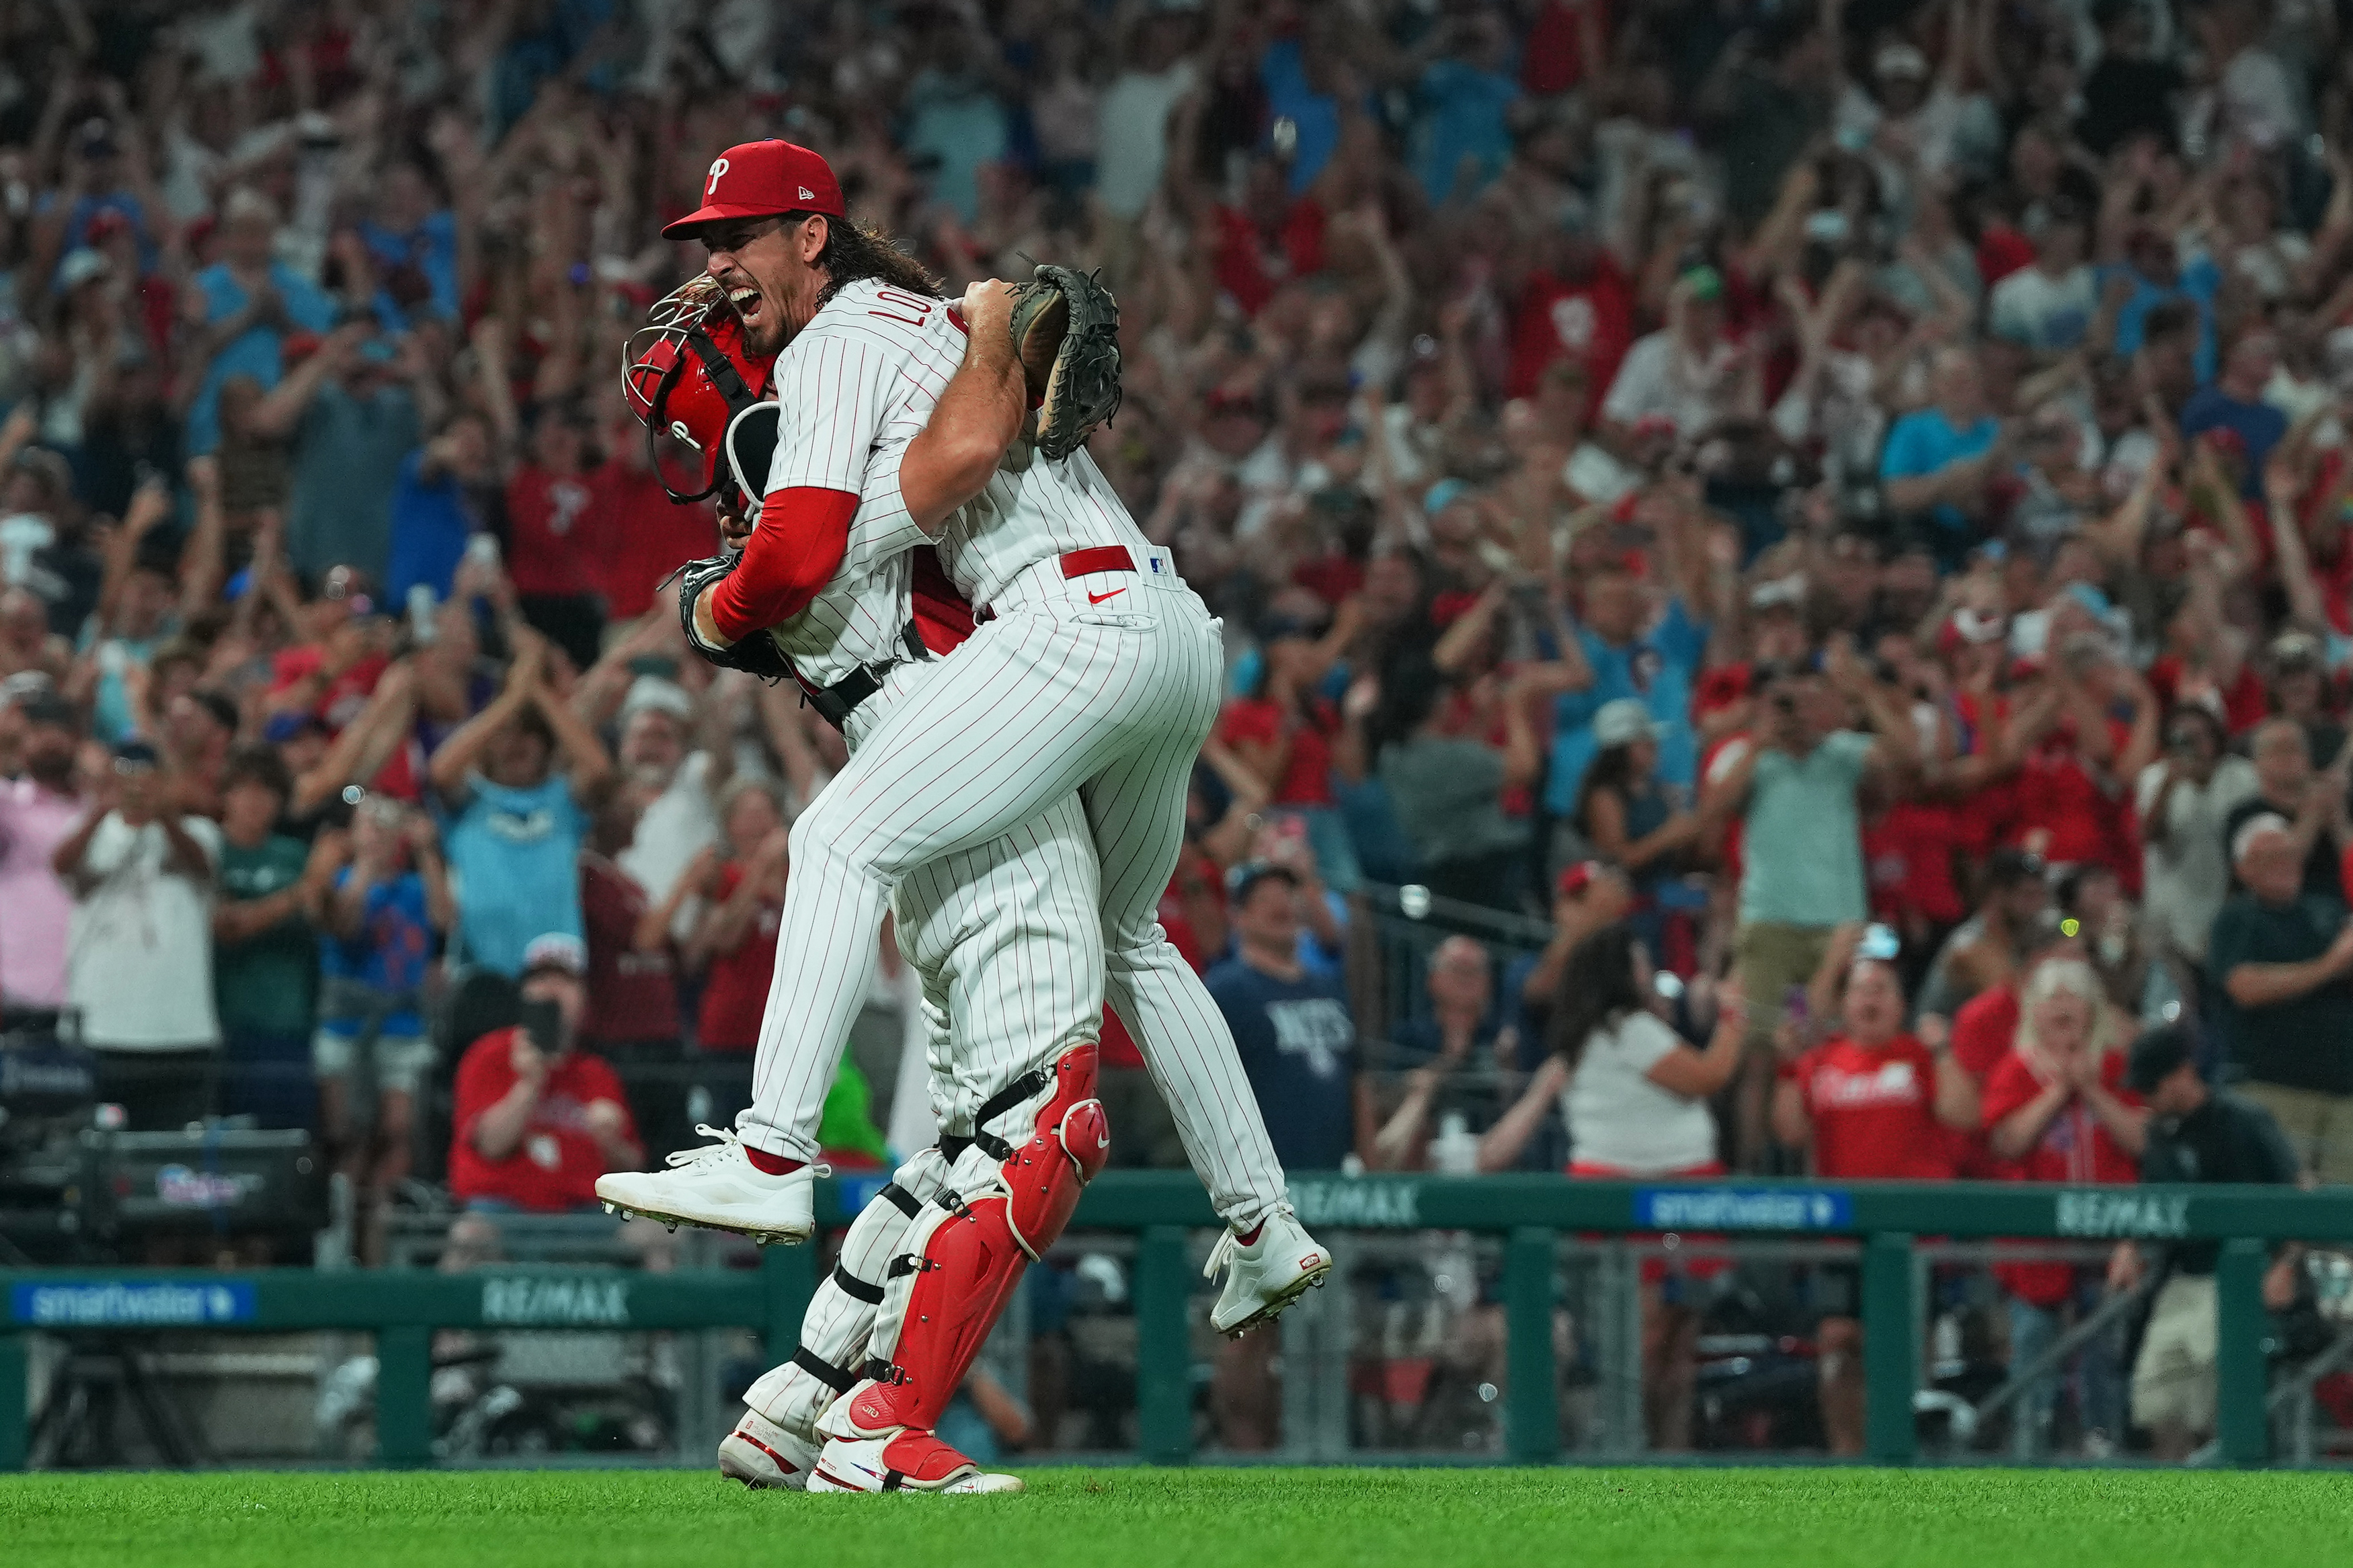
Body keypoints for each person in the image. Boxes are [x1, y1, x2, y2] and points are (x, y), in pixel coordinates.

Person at [590, 156, 1329, 1495]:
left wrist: (713, 607)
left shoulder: (826, 376)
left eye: (735, 241)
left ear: (810, 235)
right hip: (1091, 669)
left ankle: (802, 1328)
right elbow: (909, 486)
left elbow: (826, 542)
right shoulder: (902, 351)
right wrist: (990, 321)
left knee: (1003, 1105)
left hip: (994, 714)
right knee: (1040, 1101)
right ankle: (855, 1399)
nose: (712, 276)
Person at [1479, 925, 1745, 1449]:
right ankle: (1639, 1449)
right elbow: (1708, 1074)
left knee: (1668, 1341)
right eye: (1640, 961)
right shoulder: (1625, 1026)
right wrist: (1735, 1017)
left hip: (1671, 1193)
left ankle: (1662, 1451)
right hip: (1643, 1198)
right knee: (1650, 1342)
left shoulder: (1615, 1029)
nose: (1648, 970)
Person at [1706, 645, 1920, 1171]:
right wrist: (1761, 741)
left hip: (1836, 926)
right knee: (1758, 1054)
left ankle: (1828, 1172)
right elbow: (1711, 813)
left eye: (1807, 703)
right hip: (1770, 926)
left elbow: (1909, 757)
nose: (1798, 715)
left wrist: (1865, 694)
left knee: (1829, 1052)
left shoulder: (1841, 753)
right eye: (1787, 704)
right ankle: (1750, 1179)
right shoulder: (1745, 755)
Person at [1772, 950, 1978, 1454]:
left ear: (1901, 1004)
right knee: (1839, 1342)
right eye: (1862, 990)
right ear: (1843, 1004)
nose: (1872, 999)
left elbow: (1965, 1113)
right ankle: (1850, 1456)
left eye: (1883, 989)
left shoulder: (1918, 1056)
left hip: (1912, 1232)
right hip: (1843, 1234)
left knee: (1908, 1348)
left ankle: (1907, 1455)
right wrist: (1786, 1064)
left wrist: (1943, 1049)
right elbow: (1790, 1130)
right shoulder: (1821, 1062)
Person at [2111, 1024, 2303, 1462]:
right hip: (2183, 1279)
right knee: (2157, 1397)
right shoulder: (2161, 1132)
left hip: (2242, 1278)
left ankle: (2233, 1509)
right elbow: (2151, 1201)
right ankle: (2174, 1509)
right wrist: (2130, 1244)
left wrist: (2285, 1263)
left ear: (2181, 1073)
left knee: (2222, 1402)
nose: (2144, 1097)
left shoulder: (2245, 1119)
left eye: (2151, 1085)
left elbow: (2299, 1192)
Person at [1979, 959, 2147, 1456]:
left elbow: (2142, 1141)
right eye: (2053, 999)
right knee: (2033, 1345)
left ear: (2092, 1011)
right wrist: (2060, 1090)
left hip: (2109, 1238)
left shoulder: (2116, 1066)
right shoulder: (2016, 1068)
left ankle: (2104, 1445)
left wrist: (2092, 1087)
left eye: (2074, 998)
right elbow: (2007, 1141)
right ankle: (2031, 1445)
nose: (2064, 1007)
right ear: (2036, 1011)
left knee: (2104, 1353)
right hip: (2036, 1242)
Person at [52, 739, 225, 1129]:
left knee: (172, 1152)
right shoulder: (87, 829)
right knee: (97, 1150)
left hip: (180, 1028)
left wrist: (162, 814)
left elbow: (201, 867)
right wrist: (102, 807)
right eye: (126, 778)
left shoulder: (199, 831)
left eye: (149, 779)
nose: (137, 787)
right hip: (101, 1025)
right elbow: (62, 867)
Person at [317, 794, 454, 1263]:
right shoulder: (337, 881)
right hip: (346, 1028)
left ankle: (378, 1253)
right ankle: (339, 1252)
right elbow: (342, 924)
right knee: (348, 1138)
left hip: (402, 1026)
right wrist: (364, 869)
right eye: (368, 825)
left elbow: (444, 920)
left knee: (398, 1136)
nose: (377, 833)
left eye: (385, 826)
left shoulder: (416, 886)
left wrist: (427, 851)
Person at [428, 630, 612, 975]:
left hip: (556, 966)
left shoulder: (563, 799)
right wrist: (513, 699)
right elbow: (440, 770)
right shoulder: (470, 800)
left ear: (545, 743)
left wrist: (537, 694)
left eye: (528, 733)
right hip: (478, 968)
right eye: (505, 735)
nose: (517, 745)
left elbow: (599, 769)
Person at [448, 933, 642, 1213]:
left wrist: (610, 1141)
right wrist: (528, 1085)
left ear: (585, 999)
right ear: (523, 993)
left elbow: (632, 1165)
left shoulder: (596, 1072)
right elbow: (491, 1146)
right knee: (470, 1237)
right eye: (540, 980)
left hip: (585, 1211)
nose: (552, 990)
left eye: (566, 981)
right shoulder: (488, 1055)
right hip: (502, 1206)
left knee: (655, 1235)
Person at [2206, 815, 2353, 1181]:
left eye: (2289, 853)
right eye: (2269, 857)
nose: (2284, 863)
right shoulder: (2238, 918)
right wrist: (2328, 966)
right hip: (2271, 1089)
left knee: (2343, 1213)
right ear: (2242, 869)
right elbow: (2245, 987)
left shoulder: (2328, 911)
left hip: (2342, 1091)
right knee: (2277, 1206)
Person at [211, 744, 332, 1129]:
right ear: (225, 796)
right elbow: (230, 928)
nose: (256, 801)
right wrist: (305, 887)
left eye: (268, 792)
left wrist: (352, 870)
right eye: (245, 789)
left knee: (288, 1141)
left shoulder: (293, 855)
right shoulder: (210, 849)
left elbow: (331, 920)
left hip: (289, 1021)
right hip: (224, 1022)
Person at [2137, 704, 2259, 1016]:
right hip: (2173, 913)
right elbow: (2149, 836)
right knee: (2180, 1014)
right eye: (2186, 738)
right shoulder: (2155, 778)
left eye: (2203, 735)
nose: (2198, 745)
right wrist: (2169, 786)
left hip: (2228, 905)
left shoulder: (2242, 775)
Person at [0, 692, 87, 1032]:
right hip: (18, 988)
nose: (49, 740)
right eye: (37, 731)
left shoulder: (101, 806)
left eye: (58, 730)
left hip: (95, 991)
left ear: (77, 739)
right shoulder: (8, 804)